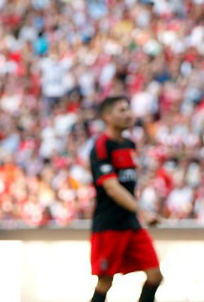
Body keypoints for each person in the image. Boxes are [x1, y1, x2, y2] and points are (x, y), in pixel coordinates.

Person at [89, 96, 163, 302]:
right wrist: (142, 210)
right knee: (105, 283)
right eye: (122, 110)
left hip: (130, 223)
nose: (128, 114)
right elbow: (111, 187)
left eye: (128, 109)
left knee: (155, 275)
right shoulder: (102, 145)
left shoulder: (130, 144)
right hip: (109, 224)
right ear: (107, 116)